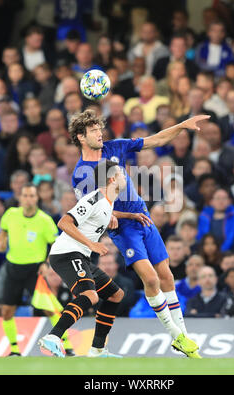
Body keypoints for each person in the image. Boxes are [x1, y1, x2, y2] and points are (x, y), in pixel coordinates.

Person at [70, 110, 210, 358]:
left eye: (99, 128)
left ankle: (184, 338)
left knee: (166, 275)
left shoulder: (115, 147)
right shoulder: (82, 172)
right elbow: (92, 214)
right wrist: (118, 216)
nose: (99, 132)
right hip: (125, 229)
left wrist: (182, 124)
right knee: (152, 280)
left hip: (143, 218)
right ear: (81, 137)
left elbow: (155, 140)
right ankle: (175, 336)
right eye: (93, 130)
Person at [38, 160, 127, 358]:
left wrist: (132, 215)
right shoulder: (94, 199)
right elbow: (64, 222)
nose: (125, 177)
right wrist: (92, 244)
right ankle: (53, 337)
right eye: (121, 173)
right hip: (67, 253)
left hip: (81, 256)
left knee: (115, 294)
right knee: (90, 296)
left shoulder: (107, 203)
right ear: (112, 179)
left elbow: (104, 214)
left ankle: (97, 349)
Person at [0, 183, 73, 357]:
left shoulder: (44, 220)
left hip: (34, 271)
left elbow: (55, 245)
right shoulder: (11, 214)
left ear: (36, 198)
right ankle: (15, 350)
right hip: (13, 268)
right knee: (7, 311)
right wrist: (2, 241)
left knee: (49, 308)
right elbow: (4, 230)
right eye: (25, 195)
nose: (28, 199)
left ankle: (67, 345)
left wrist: (46, 264)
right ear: (20, 198)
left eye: (31, 195)